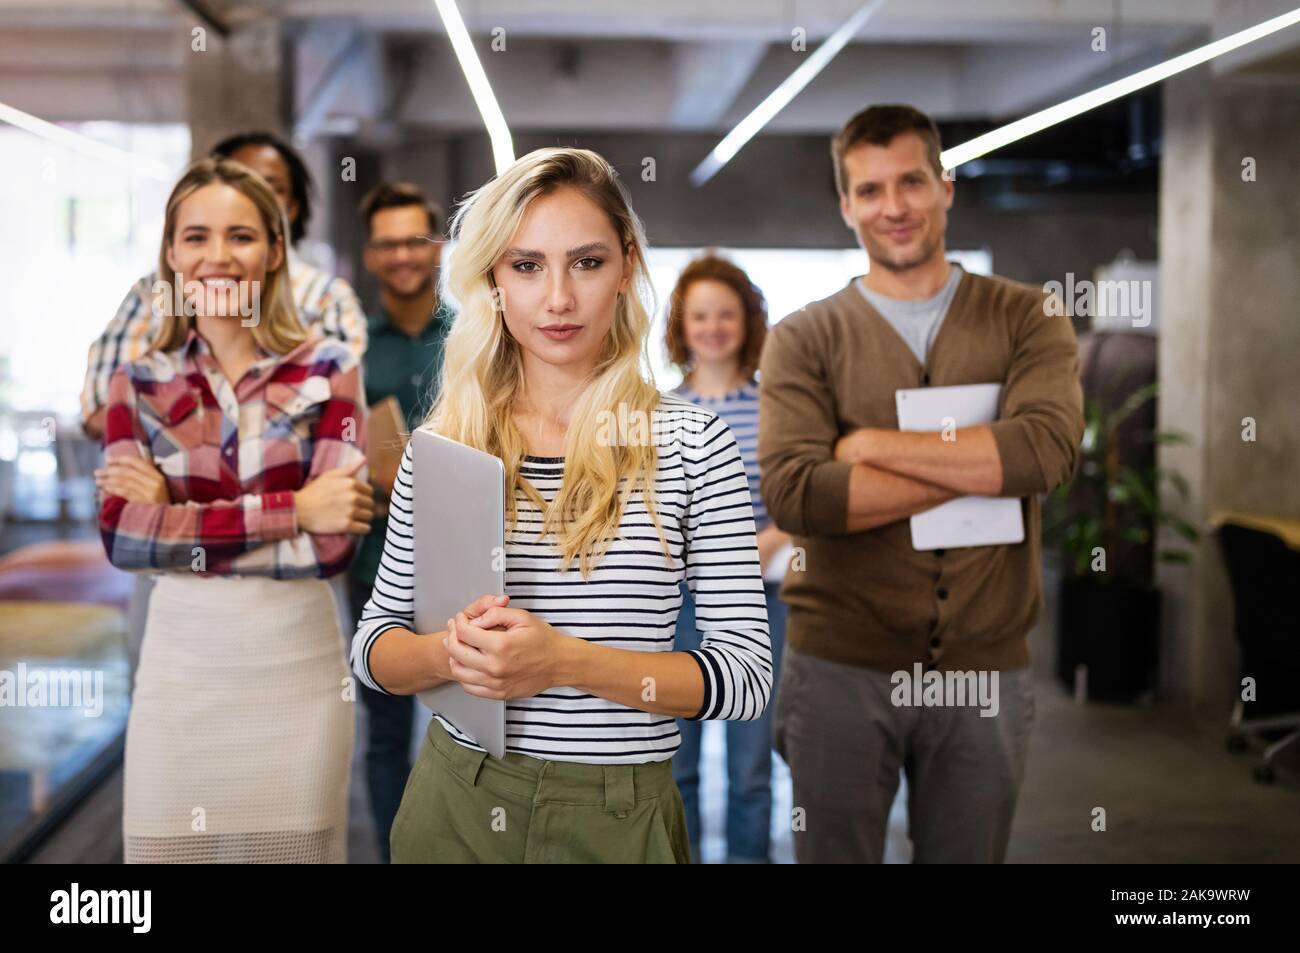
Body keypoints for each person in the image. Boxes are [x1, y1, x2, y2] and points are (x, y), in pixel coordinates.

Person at [350, 147, 772, 864]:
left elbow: (745, 677)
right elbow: (373, 648)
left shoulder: (694, 445)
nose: (557, 299)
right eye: (526, 265)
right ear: (494, 281)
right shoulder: (448, 445)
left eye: (586, 262)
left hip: (618, 811)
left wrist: (563, 661)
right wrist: (453, 654)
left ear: (626, 267)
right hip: (455, 799)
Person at [759, 104, 1084, 863]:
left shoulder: (1027, 315)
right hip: (840, 663)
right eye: (870, 190)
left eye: (911, 182)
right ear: (846, 205)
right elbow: (802, 496)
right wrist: (981, 467)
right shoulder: (804, 337)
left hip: (985, 667)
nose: (893, 206)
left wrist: (869, 446)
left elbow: (1044, 455)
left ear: (947, 186)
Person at [96, 158, 374, 863]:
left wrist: (177, 518)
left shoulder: (329, 367)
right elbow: (125, 538)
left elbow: (334, 543)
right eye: (196, 236)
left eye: (241, 236)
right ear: (171, 253)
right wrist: (295, 507)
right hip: (179, 680)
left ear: (275, 250)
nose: (218, 255)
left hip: (297, 676)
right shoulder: (139, 380)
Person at [81, 130, 366, 441]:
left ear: (292, 208)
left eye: (268, 187)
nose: (245, 195)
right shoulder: (152, 294)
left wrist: (169, 449)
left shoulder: (327, 298)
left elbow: (337, 422)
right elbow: (103, 413)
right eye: (236, 180)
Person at [663, 252, 790, 863]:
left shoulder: (777, 410)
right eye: (700, 315)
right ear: (681, 326)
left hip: (761, 604)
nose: (713, 326)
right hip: (676, 607)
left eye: (726, 314)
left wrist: (756, 547)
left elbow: (796, 502)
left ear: (748, 321)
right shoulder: (659, 415)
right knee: (675, 765)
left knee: (750, 769)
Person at [349, 181, 453, 862]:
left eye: (414, 238)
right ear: (370, 255)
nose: (402, 255)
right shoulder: (350, 347)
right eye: (387, 243)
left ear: (438, 245)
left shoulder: (479, 335)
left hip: (467, 560)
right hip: (376, 560)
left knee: (470, 727)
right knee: (385, 730)